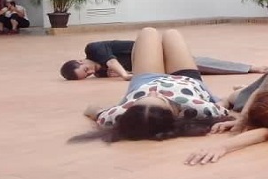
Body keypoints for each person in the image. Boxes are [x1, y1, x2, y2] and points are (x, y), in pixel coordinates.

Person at [70, 28, 232, 143]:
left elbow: (91, 109)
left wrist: (99, 114)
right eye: (162, 99)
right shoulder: (199, 110)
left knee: (148, 32)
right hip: (187, 79)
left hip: (145, 80)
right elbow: (225, 102)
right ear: (175, 114)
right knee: (172, 34)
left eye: (142, 99)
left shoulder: (119, 115)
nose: (154, 93)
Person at [59, 40, 268, 81]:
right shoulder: (100, 73)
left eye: (85, 69)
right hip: (156, 66)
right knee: (193, 72)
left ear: (81, 60)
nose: (90, 73)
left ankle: (250, 67)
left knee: (199, 63)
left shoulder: (93, 48)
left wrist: (124, 75)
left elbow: (113, 62)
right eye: (85, 76)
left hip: (157, 51)